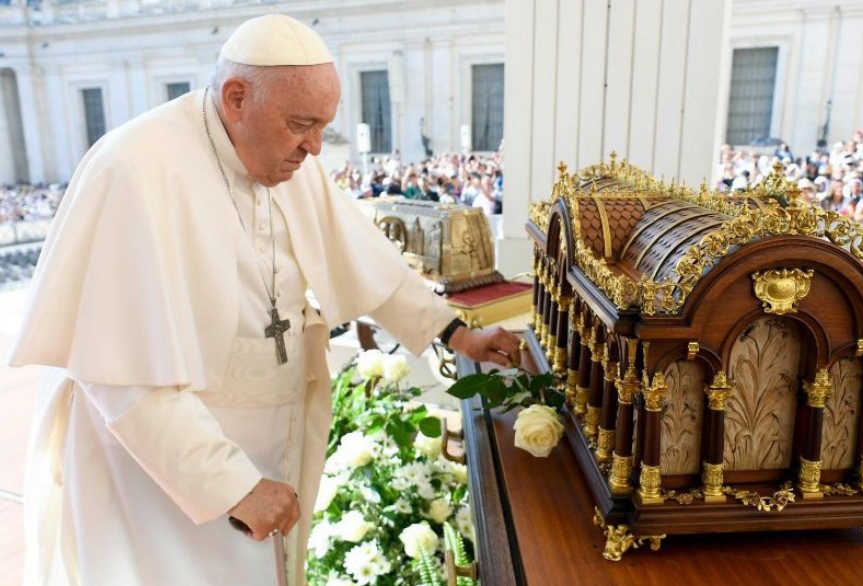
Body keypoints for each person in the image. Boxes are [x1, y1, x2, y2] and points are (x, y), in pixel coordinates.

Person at [9, 15, 520, 586]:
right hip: (159, 471)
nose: (315, 147)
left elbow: (366, 260)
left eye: (323, 126)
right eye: (303, 125)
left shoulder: (283, 157)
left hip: (267, 445)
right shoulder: (131, 168)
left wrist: (455, 334)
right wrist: (232, 485)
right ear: (236, 98)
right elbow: (121, 376)